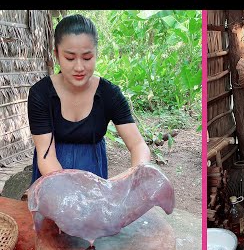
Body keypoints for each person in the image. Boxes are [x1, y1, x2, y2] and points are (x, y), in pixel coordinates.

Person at [27, 14, 151, 184]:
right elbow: (46, 155)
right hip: (52, 174)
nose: (79, 67)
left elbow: (138, 145)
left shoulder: (110, 94)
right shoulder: (40, 94)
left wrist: (134, 174)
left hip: (93, 166)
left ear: (96, 53)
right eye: (69, 58)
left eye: (87, 58)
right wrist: (75, 191)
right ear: (56, 54)